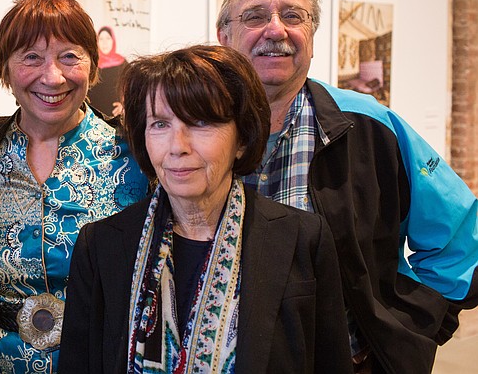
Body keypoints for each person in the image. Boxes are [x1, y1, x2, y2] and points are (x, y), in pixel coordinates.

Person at [216, 0, 478, 373]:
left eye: (292, 16)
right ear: (224, 36)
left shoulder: (370, 124)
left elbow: (459, 234)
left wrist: (413, 326)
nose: (276, 30)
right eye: (254, 16)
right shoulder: (192, 128)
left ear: (312, 38)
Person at [58, 45, 351, 373]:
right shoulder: (102, 245)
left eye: (200, 122)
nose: (177, 147)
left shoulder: (301, 239)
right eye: (160, 124)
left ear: (242, 138)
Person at [0, 0, 149, 373]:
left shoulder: (138, 158)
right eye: (31, 57)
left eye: (69, 56)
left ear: (93, 67)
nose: (52, 76)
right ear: (6, 69)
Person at [87, 26, 127, 117]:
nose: (105, 43)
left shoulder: (123, 64)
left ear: (113, 40)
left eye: (108, 38)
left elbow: (132, 89)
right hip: (93, 117)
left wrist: (124, 105)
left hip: (115, 118)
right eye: (101, 39)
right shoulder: (92, 63)